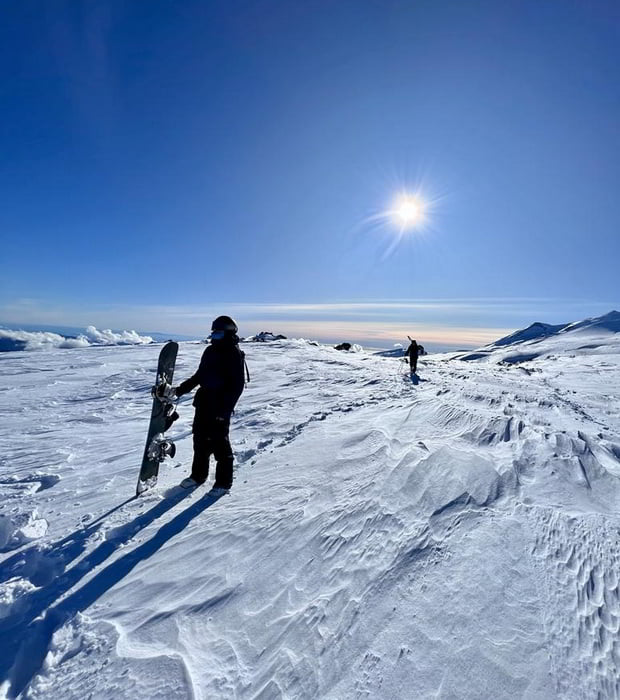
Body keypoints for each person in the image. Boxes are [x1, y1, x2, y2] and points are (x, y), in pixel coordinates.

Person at [171, 315, 246, 491]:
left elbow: (237, 386)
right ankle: (198, 476)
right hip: (203, 402)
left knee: (220, 443)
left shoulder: (234, 354)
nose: (214, 336)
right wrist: (180, 390)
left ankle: (223, 482)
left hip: (220, 406)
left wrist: (225, 411)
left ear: (228, 333)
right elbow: (200, 376)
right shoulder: (210, 351)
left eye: (218, 333)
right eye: (213, 332)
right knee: (200, 442)